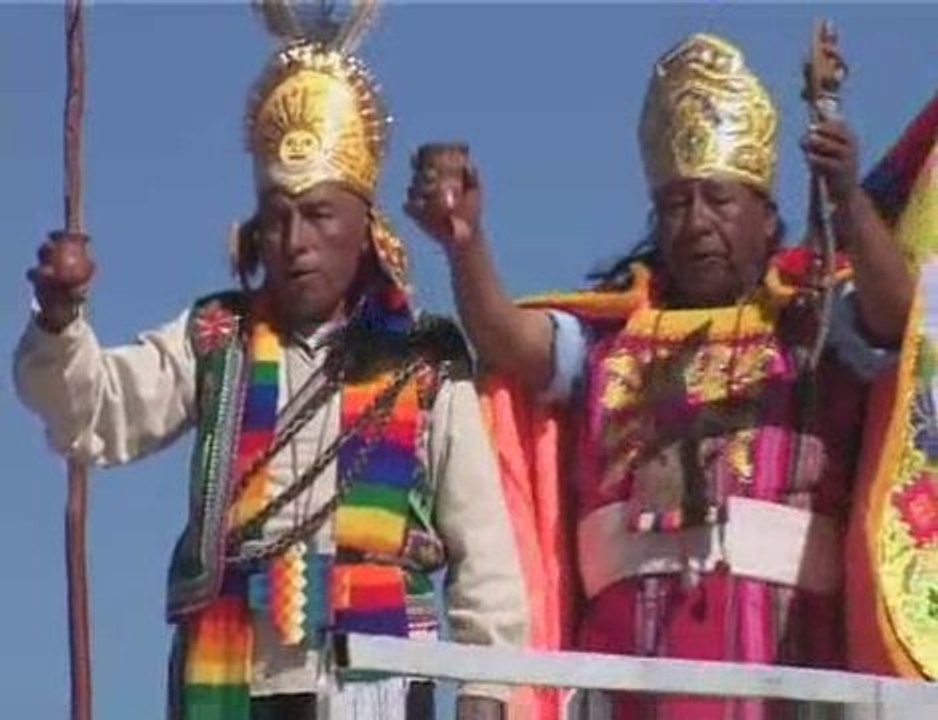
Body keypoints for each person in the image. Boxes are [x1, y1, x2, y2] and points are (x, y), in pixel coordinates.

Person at [13, 3, 526, 720]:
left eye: (319, 214)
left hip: (374, 681)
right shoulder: (216, 337)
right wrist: (62, 320)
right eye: (278, 216)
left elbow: (485, 551)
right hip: (232, 680)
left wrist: (486, 688)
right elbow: (96, 413)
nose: (295, 240)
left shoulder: (424, 360)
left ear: (365, 226)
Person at [406, 33, 916, 719]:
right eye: (677, 204)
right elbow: (508, 340)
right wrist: (465, 246)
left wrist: (849, 200)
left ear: (768, 219)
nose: (697, 222)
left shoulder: (815, 329)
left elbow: (900, 320)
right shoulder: (606, 342)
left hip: (792, 679)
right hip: (626, 685)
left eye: (719, 200)